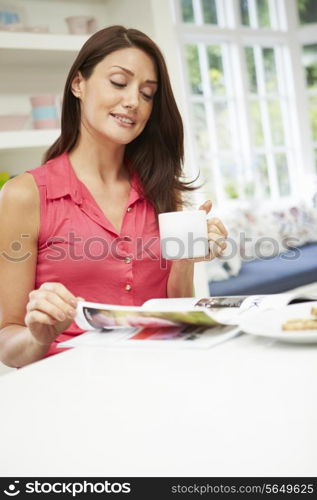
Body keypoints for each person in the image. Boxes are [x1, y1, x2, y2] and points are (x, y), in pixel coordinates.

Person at [0, 25, 228, 368]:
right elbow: (7, 339)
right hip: (71, 391)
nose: (133, 101)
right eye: (119, 83)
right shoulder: (24, 196)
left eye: (148, 93)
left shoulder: (163, 191)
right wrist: (38, 335)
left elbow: (180, 316)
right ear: (78, 83)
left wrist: (186, 260)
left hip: (164, 376)